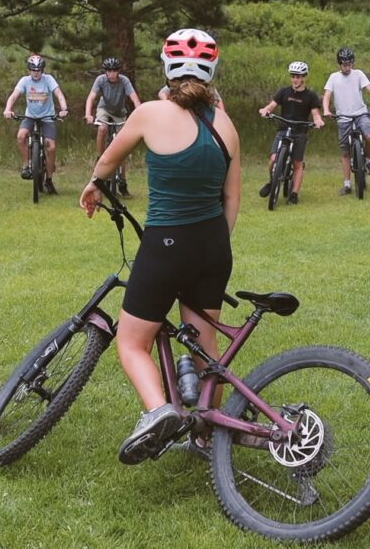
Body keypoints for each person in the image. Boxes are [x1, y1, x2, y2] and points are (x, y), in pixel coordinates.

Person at [79, 28, 240, 465]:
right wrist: (212, 246)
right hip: (213, 246)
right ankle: (208, 435)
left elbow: (111, 159)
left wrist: (95, 185)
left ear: (167, 68)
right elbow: (232, 199)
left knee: (132, 343)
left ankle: (158, 411)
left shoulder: (149, 112)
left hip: (166, 242)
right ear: (211, 70)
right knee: (206, 352)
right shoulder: (226, 124)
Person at [258, 61, 324, 204]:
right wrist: (265, 110)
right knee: (273, 159)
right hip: (283, 129)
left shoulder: (311, 96)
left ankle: (294, 194)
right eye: (293, 76)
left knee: (297, 164)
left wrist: (318, 121)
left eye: (298, 76)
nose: (295, 79)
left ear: (304, 77)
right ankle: (271, 182)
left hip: (300, 132)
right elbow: (271, 106)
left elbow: (315, 114)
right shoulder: (284, 92)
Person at [3, 54, 68, 194]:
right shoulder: (25, 81)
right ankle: (27, 165)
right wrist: (8, 109)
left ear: (42, 70)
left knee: (51, 146)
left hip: (47, 117)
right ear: (29, 70)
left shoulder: (48, 79)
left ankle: (49, 179)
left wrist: (63, 109)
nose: (36, 73)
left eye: (39, 70)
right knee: (21, 136)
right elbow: (14, 96)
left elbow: (58, 94)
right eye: (33, 70)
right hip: (30, 117)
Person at [322, 48, 370, 196]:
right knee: (345, 153)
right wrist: (326, 110)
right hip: (343, 117)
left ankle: (369, 160)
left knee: (369, 136)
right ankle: (347, 184)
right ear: (339, 64)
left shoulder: (358, 74)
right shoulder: (333, 77)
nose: (347, 67)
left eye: (349, 64)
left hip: (360, 114)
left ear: (352, 63)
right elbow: (327, 96)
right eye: (344, 65)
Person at [84, 57, 142, 197]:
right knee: (102, 128)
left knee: (122, 148)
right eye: (109, 71)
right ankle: (101, 155)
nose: (111, 73)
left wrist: (139, 113)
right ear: (105, 71)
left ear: (118, 71)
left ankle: (122, 182)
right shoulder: (100, 80)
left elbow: (134, 98)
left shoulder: (124, 81)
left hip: (119, 112)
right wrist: (88, 115)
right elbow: (91, 97)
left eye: (114, 70)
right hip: (104, 109)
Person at [158, 83, 225, 110]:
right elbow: (162, 93)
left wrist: (223, 115)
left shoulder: (206, 86)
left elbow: (218, 100)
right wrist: (168, 104)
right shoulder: (177, 82)